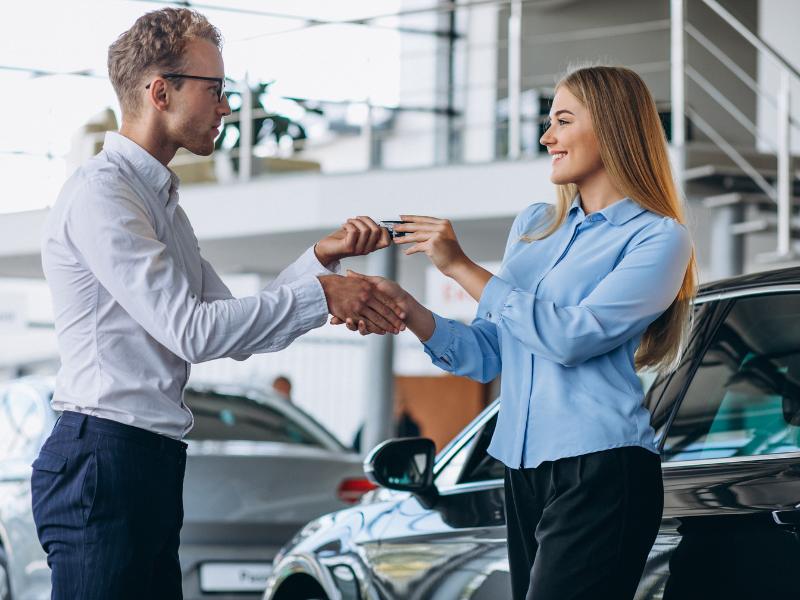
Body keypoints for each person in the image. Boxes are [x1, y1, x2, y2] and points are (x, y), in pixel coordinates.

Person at [32, 8, 405, 600]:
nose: (228, 107)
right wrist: (323, 295)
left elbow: (229, 328)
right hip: (103, 459)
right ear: (160, 91)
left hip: (146, 460)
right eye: (216, 90)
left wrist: (318, 261)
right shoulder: (103, 195)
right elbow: (194, 332)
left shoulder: (162, 204)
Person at [336, 66, 696, 599]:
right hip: (523, 471)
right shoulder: (533, 226)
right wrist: (409, 309)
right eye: (548, 122)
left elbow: (573, 338)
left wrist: (460, 266)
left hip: (603, 470)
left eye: (563, 121)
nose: (547, 137)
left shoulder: (659, 238)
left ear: (614, 128)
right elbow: (486, 355)